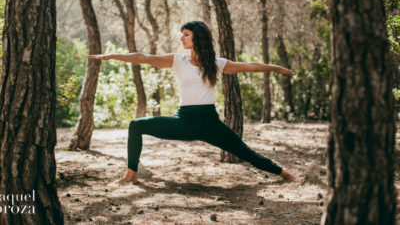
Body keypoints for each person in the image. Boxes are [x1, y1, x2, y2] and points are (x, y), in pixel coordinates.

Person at [87, 21, 298, 184]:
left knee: (247, 153)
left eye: (186, 34)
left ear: (199, 38)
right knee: (136, 125)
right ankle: (131, 175)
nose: (182, 38)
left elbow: (249, 66)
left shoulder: (216, 64)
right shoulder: (177, 60)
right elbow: (142, 57)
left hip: (210, 124)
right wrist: (112, 56)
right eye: (182, 34)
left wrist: (277, 68)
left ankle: (285, 174)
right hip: (183, 122)